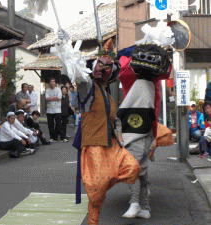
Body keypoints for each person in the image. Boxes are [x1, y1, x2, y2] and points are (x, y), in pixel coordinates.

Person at [73, 40, 139, 224]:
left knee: (132, 168)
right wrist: (67, 52)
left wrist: (121, 139)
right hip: (93, 144)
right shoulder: (88, 89)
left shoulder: (109, 95)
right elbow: (80, 78)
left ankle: (101, 185)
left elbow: (115, 121)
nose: (104, 69)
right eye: (100, 65)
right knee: (96, 197)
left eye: (108, 67)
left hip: (111, 145)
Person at [117, 43, 172, 219]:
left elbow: (124, 68)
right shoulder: (148, 83)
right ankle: (144, 207)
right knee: (141, 168)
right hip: (143, 125)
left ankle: (135, 203)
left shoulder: (144, 82)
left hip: (139, 127)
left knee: (134, 166)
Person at [45, 78, 62, 142]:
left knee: (58, 124)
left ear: (55, 83)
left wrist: (51, 98)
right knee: (50, 124)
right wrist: (54, 98)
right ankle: (51, 137)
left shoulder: (58, 89)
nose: (52, 83)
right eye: (51, 82)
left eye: (53, 82)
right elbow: (46, 98)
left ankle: (56, 136)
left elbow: (59, 97)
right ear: (49, 83)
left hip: (57, 109)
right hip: (49, 109)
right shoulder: (47, 90)